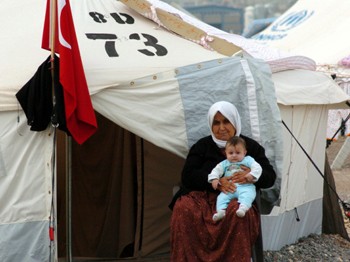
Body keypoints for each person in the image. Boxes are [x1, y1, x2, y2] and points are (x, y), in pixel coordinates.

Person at [169, 101, 276, 261]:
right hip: (202, 197)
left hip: (236, 198)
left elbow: (270, 177)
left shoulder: (250, 147)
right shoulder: (202, 146)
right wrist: (216, 182)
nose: (221, 128)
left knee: (237, 214)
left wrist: (252, 175)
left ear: (235, 122)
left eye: (226, 121)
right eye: (216, 123)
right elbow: (188, 175)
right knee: (183, 208)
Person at [208, 136, 262, 221]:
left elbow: (257, 168)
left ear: (244, 152)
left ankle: (243, 208)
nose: (234, 155)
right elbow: (216, 171)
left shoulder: (248, 160)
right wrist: (214, 179)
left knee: (248, 195)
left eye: (238, 153)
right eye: (231, 153)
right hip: (229, 188)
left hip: (245, 186)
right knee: (221, 198)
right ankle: (221, 211)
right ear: (226, 153)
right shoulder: (224, 163)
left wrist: (252, 175)